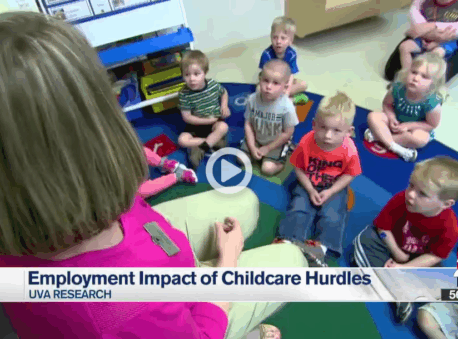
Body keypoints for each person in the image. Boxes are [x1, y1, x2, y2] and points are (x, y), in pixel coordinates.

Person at [0, 11, 308, 339]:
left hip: (151, 253)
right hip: (182, 313)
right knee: (291, 259)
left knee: (244, 201)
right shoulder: (121, 308)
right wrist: (227, 264)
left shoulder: (39, 203)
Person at [351, 156, 458, 324]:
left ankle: (398, 290)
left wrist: (405, 267)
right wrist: (397, 253)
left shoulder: (450, 227)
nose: (411, 194)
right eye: (411, 185)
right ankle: (398, 289)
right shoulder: (401, 199)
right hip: (389, 243)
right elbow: (382, 228)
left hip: (418, 259)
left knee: (444, 280)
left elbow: (436, 256)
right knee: (364, 240)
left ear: (446, 204)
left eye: (422, 193)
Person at [273, 92, 362, 267]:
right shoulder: (306, 141)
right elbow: (298, 168)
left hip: (334, 186)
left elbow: (349, 174)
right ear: (314, 124)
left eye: (336, 131)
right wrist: (310, 189)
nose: (328, 136)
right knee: (299, 208)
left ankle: (322, 248)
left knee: (333, 215)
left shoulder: (350, 150)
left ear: (349, 132)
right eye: (323, 127)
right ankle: (287, 240)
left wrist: (331, 191)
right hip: (308, 182)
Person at [364, 52, 447, 162]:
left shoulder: (432, 102)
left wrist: (408, 126)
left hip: (414, 129)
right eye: (413, 72)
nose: (416, 78)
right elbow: (387, 105)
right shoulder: (397, 88)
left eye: (424, 77)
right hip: (395, 122)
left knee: (421, 139)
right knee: (373, 116)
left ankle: (380, 137)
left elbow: (431, 124)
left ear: (433, 83)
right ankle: (397, 148)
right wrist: (392, 117)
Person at [241, 59, 299, 176]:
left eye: (275, 83)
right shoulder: (252, 99)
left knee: (267, 169)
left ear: (285, 86)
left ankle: (283, 156)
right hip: (257, 139)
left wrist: (267, 148)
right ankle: (256, 152)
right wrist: (252, 146)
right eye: (265, 81)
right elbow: (248, 124)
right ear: (260, 79)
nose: (268, 86)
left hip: (276, 143)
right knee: (241, 159)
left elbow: (287, 133)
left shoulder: (287, 107)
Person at [177, 50, 230, 169]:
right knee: (182, 140)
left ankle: (201, 148)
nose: (191, 79)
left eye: (196, 74)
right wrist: (207, 121)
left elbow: (224, 92)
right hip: (195, 126)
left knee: (223, 127)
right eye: (187, 75)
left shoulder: (212, 85)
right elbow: (187, 117)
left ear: (205, 73)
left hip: (214, 123)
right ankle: (211, 142)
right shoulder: (183, 94)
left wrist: (224, 106)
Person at [399, 0, 458, 71]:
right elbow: (418, 24)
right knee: (404, 47)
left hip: (447, 40)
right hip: (424, 36)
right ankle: (406, 75)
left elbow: (453, 33)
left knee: (435, 54)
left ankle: (424, 77)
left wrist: (437, 42)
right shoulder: (425, 3)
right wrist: (424, 36)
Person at [258, 16, 307, 99]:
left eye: (283, 38)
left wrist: (287, 91)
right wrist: (272, 87)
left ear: (290, 41)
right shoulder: (266, 54)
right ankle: (278, 95)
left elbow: (291, 74)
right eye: (275, 37)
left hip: (284, 80)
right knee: (258, 89)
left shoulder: (292, 54)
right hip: (270, 82)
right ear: (271, 37)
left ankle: (279, 95)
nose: (278, 42)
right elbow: (263, 76)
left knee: (303, 84)